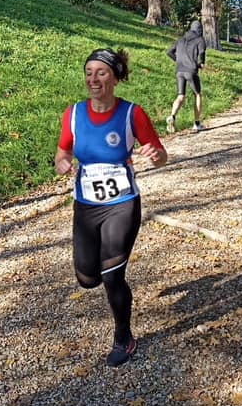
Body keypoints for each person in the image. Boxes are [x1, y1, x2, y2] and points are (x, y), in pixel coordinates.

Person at [55, 48, 168, 367]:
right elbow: (62, 151)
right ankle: (102, 277)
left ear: (116, 78)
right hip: (86, 205)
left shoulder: (132, 113)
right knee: (87, 278)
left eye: (101, 72)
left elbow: (160, 154)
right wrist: (62, 163)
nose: (94, 79)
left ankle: (124, 338)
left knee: (112, 275)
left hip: (122, 204)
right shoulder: (73, 114)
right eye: (89, 72)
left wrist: (156, 156)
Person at [166, 21, 207, 132]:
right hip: (191, 70)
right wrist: (201, 63)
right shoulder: (199, 39)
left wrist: (178, 60)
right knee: (197, 94)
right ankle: (197, 123)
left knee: (181, 96)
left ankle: (172, 116)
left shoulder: (181, 39)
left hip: (179, 70)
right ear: (200, 30)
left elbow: (169, 52)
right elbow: (202, 52)